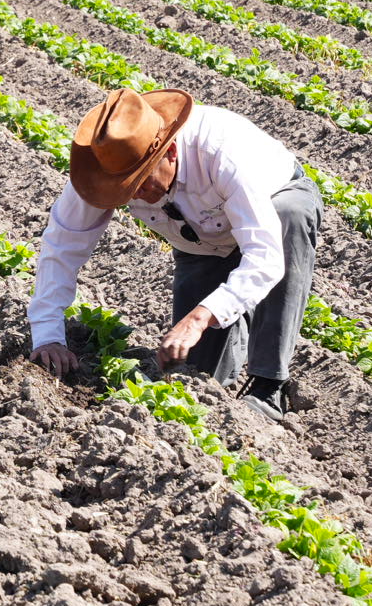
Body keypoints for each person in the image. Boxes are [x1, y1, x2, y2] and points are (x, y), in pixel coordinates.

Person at [27, 87, 323, 421]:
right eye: (125, 188)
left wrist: (200, 317)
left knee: (289, 217)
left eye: (142, 181)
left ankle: (269, 386)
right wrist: (49, 335)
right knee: (192, 373)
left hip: (272, 210)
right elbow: (62, 247)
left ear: (169, 152)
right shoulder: (102, 174)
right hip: (200, 243)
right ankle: (225, 376)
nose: (137, 194)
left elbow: (264, 258)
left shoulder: (221, 153)